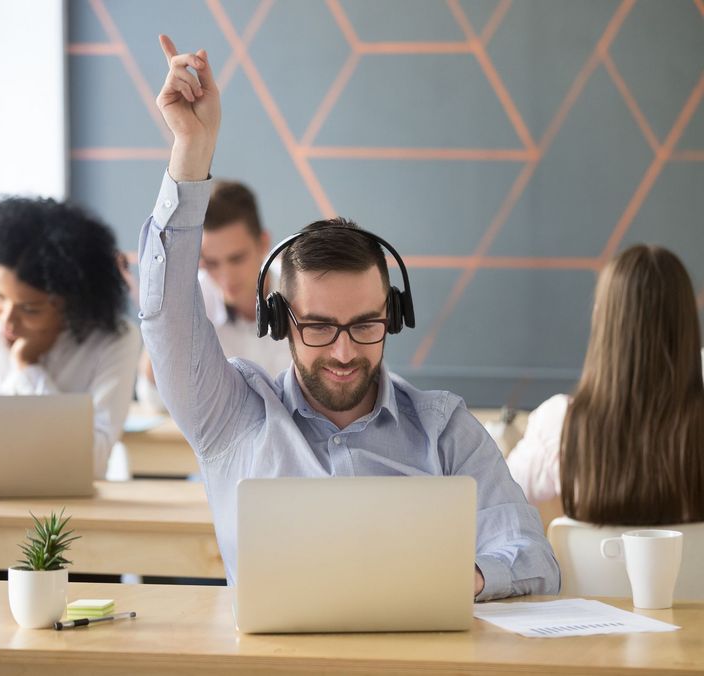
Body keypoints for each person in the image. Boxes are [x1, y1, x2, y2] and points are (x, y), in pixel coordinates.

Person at [138, 34, 559, 599]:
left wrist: (464, 578)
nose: (343, 352)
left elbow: (533, 557)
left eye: (365, 325)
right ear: (282, 321)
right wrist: (190, 148)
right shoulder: (231, 416)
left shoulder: (443, 429)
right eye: (318, 327)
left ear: (394, 315)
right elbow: (166, 320)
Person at [507, 245, 704, 525]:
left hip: (591, 571)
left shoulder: (559, 423)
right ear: (687, 325)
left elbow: (494, 504)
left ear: (601, 318)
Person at [0, 196, 140, 479]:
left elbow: (91, 459)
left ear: (72, 303)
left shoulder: (113, 340)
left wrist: (28, 368)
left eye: (30, 308)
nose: (6, 317)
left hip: (69, 513)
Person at [136, 179, 290, 411]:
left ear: (263, 243)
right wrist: (162, 321)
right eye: (211, 264)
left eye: (236, 259)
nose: (226, 276)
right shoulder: (191, 298)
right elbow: (153, 400)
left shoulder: (302, 293)